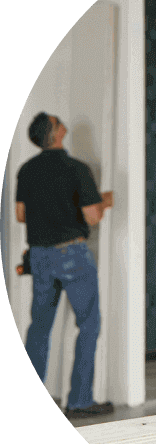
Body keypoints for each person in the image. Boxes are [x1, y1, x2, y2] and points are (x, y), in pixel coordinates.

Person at [16, 112, 114, 418]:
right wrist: (103, 202)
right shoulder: (76, 168)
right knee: (88, 324)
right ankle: (80, 400)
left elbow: (21, 214)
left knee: (39, 327)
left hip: (41, 256)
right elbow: (93, 217)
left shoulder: (27, 170)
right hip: (71, 254)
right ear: (57, 134)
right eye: (59, 122)